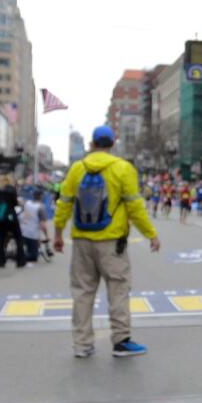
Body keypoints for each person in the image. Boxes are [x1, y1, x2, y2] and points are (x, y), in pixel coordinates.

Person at [53, 125, 160, 358]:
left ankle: (82, 344)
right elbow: (135, 207)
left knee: (82, 292)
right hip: (112, 243)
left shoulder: (76, 169)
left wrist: (58, 233)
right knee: (118, 290)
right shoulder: (123, 168)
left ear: (92, 143)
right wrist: (151, 234)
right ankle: (121, 341)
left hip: (81, 241)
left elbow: (64, 203)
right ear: (112, 143)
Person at [0, 174, 26, 269]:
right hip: (10, 216)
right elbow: (14, 203)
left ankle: (0, 261)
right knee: (18, 237)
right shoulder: (11, 190)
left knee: (1, 239)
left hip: (0, 217)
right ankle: (20, 261)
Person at [19, 188, 48, 265]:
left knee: (31, 247)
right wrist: (46, 235)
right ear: (41, 197)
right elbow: (43, 225)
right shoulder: (41, 207)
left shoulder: (27, 203)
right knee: (33, 257)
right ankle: (20, 256)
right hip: (32, 234)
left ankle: (21, 252)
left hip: (22, 231)